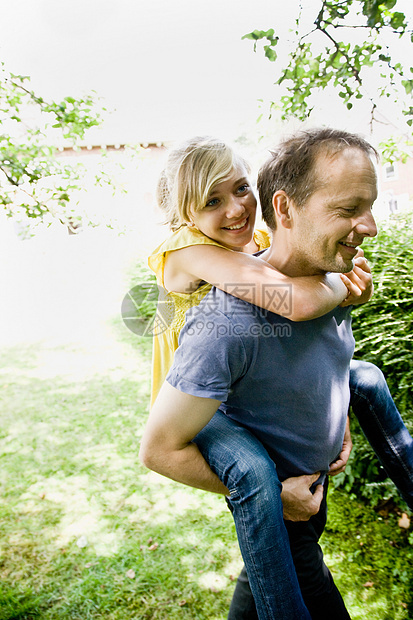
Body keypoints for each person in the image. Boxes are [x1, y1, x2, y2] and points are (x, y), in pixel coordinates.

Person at [142, 132, 413, 619]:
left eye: (241, 188)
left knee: (364, 376)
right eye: (212, 201)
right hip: (196, 404)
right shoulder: (189, 255)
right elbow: (300, 303)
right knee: (256, 483)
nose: (237, 208)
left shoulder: (279, 252)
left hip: (292, 464)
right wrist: (341, 291)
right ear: (186, 216)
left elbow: (317, 355)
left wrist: (336, 421)